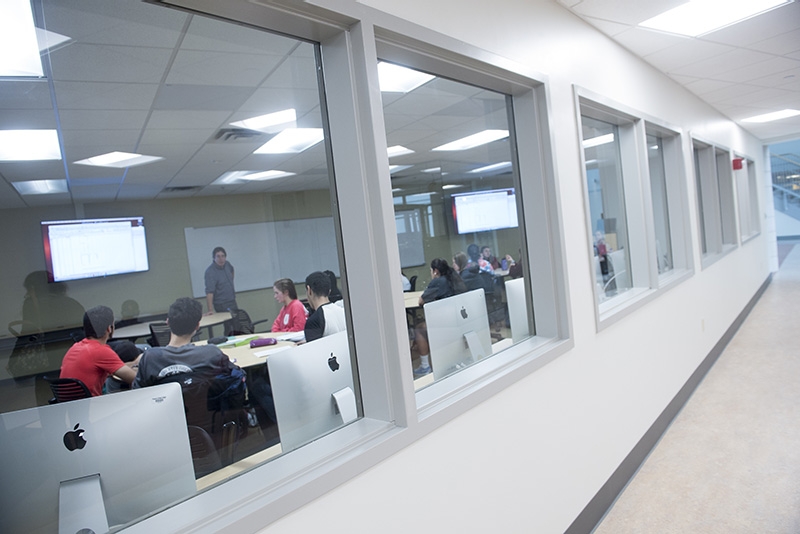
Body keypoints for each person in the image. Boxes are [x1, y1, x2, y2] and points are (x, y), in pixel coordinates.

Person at [60, 305, 137, 396]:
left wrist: (132, 364)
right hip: (92, 406)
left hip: (72, 406)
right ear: (109, 328)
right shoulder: (101, 351)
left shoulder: (75, 347)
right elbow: (135, 378)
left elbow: (109, 369)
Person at [413, 258, 466, 377]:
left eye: (431, 271)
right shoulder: (454, 278)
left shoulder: (438, 282)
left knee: (419, 329)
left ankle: (425, 366)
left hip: (445, 323)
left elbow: (421, 301)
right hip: (459, 320)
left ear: (435, 271)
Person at [304, 271, 346, 343]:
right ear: (329, 291)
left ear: (309, 290)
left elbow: (314, 350)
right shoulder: (343, 311)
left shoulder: (314, 321)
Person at [204, 246, 237, 314]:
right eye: (218, 256)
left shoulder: (227, 264)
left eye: (223, 256)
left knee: (238, 322)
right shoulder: (210, 272)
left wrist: (230, 282)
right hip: (221, 304)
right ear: (214, 258)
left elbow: (232, 270)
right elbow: (209, 292)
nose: (221, 259)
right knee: (230, 324)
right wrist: (210, 310)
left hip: (232, 300)